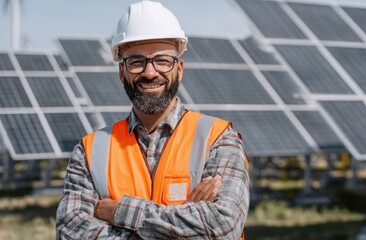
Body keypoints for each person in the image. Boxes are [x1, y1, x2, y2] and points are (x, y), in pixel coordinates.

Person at [56, 1, 249, 239]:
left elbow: (223, 226)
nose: (149, 72)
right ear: (121, 72)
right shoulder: (90, 150)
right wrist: (183, 225)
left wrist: (119, 211)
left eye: (162, 60)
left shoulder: (218, 139)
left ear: (179, 69)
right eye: (136, 62)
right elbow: (70, 232)